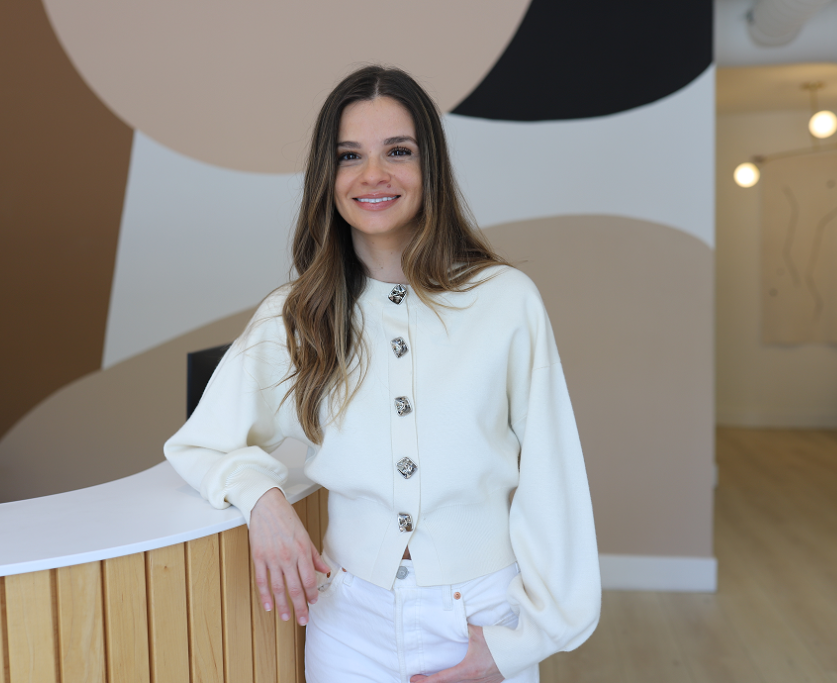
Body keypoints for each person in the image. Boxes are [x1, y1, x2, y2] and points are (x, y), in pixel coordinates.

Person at [164, 65, 600, 683]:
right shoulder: (295, 315)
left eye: (398, 151)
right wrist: (263, 500)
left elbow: (554, 481)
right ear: (328, 176)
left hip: (479, 618)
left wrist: (514, 645)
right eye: (349, 156)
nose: (373, 175)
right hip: (346, 624)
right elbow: (200, 442)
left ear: (431, 169)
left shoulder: (506, 301)